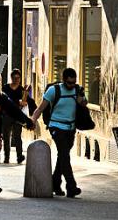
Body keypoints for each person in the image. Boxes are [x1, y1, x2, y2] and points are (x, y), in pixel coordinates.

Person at [31, 68, 87, 198]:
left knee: (63, 155)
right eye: (69, 83)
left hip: (70, 128)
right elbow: (40, 108)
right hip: (56, 126)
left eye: (73, 83)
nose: (71, 85)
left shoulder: (77, 90)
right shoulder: (54, 90)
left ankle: (55, 183)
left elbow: (84, 103)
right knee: (65, 156)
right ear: (64, 80)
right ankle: (71, 186)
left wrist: (81, 100)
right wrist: (32, 120)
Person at [1, 69, 28, 164]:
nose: (16, 80)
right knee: (6, 136)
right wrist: (18, 102)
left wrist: (25, 96)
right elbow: (3, 100)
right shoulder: (5, 88)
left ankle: (19, 156)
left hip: (17, 116)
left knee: (17, 137)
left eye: (18, 78)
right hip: (7, 115)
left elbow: (24, 103)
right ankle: (6, 157)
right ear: (11, 78)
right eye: (14, 78)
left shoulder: (22, 90)